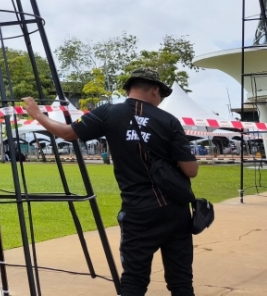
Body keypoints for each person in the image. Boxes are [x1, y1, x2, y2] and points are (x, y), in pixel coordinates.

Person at [23, 68, 199, 296]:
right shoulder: (168, 120)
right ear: (155, 90)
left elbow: (67, 133)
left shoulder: (108, 113)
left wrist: (38, 114)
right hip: (175, 209)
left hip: (138, 210)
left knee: (134, 280)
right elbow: (191, 170)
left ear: (129, 88)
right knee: (181, 281)